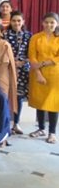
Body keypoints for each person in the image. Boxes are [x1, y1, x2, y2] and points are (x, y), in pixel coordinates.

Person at [28, 12, 59, 144]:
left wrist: (45, 63)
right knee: (39, 101)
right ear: (42, 23)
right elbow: (32, 56)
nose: (49, 25)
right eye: (46, 22)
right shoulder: (35, 37)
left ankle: (52, 132)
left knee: (53, 103)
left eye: (52, 22)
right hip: (37, 72)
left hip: (55, 74)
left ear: (57, 24)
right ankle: (41, 129)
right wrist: (38, 73)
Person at [4, 11, 32, 134]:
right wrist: (11, 62)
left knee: (19, 97)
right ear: (10, 22)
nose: (16, 23)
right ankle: (5, 123)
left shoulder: (29, 36)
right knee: (5, 96)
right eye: (14, 20)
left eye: (19, 21)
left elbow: (32, 53)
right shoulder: (5, 35)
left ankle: (16, 123)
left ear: (23, 22)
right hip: (7, 69)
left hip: (22, 70)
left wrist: (23, 62)